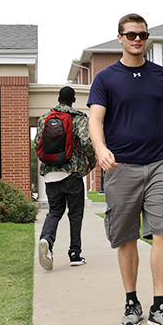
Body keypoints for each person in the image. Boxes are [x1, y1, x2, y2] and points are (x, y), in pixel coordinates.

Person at [88, 13, 163, 325]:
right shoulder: (106, 78)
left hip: (159, 165)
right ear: (120, 38)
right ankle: (132, 301)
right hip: (121, 167)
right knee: (126, 237)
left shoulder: (161, 75)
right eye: (131, 35)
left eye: (142, 35)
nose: (137, 40)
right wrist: (101, 149)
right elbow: (95, 120)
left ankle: (160, 304)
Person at [34, 86, 97, 270]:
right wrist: (91, 163)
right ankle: (75, 254)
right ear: (73, 100)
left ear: (59, 98)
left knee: (54, 212)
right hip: (72, 174)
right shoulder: (78, 118)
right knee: (75, 215)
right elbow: (86, 142)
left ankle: (46, 240)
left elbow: (38, 142)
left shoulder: (45, 118)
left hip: (51, 175)